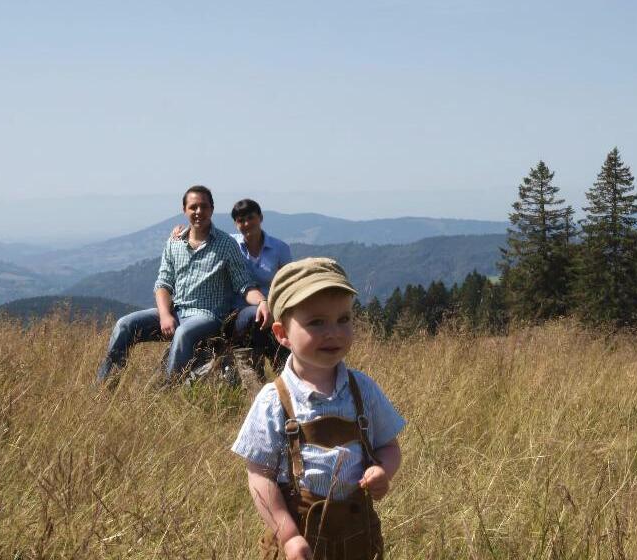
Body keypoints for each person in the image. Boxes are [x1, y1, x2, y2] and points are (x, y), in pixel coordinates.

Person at [232, 258, 405, 559]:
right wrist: (286, 535)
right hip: (300, 540)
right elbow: (259, 476)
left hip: (359, 536)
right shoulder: (274, 400)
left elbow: (389, 446)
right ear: (281, 334)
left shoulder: (362, 390)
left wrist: (382, 470)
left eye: (343, 319)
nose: (333, 332)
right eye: (316, 322)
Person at [96, 185, 270, 385]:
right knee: (125, 324)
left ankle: (167, 392)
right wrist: (164, 315)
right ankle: (104, 387)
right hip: (176, 312)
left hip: (208, 316)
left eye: (203, 207)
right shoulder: (174, 243)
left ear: (212, 210)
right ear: (184, 210)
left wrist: (262, 301)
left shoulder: (226, 244)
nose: (198, 212)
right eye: (193, 207)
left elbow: (244, 285)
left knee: (183, 333)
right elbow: (163, 283)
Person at [171, 198, 292, 376]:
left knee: (275, 328)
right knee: (255, 315)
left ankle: (282, 374)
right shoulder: (230, 243)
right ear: (235, 224)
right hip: (236, 313)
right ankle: (257, 370)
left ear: (260, 218)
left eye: (250, 218)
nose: (246, 223)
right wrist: (181, 232)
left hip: (271, 310)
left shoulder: (279, 248)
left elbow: (288, 284)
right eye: (240, 220)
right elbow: (204, 236)